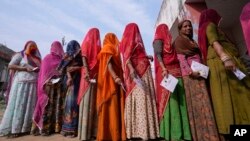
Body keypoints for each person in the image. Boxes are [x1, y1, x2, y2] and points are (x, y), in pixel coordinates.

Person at [198, 9, 250, 136]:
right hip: (221, 62)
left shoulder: (208, 27)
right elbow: (214, 42)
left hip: (219, 61)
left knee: (231, 94)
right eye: (218, 16)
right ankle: (239, 129)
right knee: (235, 93)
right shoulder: (210, 25)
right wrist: (225, 58)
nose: (220, 19)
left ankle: (235, 129)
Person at [174, 20, 220, 141]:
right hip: (191, 76)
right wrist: (190, 72)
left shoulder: (192, 41)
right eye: (185, 26)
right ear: (180, 29)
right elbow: (181, 59)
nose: (188, 28)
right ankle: (202, 135)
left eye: (189, 26)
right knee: (198, 104)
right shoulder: (180, 41)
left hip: (199, 73)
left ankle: (210, 132)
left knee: (204, 102)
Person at [120, 23, 159, 140]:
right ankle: (137, 132)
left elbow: (138, 55)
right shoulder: (127, 41)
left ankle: (148, 131)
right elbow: (127, 57)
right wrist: (132, 70)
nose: (136, 32)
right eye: (134, 30)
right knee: (139, 100)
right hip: (136, 74)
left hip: (144, 72)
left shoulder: (138, 43)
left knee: (146, 100)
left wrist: (147, 57)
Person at [153, 23, 191, 141]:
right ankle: (174, 133)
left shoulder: (170, 42)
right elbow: (159, 55)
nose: (166, 31)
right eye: (164, 29)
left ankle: (185, 132)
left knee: (181, 102)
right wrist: (164, 69)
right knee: (171, 102)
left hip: (177, 72)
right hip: (167, 72)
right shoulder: (158, 40)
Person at [0, 41, 41, 137]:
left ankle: (26, 128)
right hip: (21, 84)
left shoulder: (37, 59)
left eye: (34, 46)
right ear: (26, 46)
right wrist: (24, 68)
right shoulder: (20, 55)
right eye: (31, 46)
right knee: (19, 105)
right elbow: (10, 66)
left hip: (33, 85)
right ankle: (15, 129)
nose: (33, 48)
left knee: (29, 107)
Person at [96, 33, 126, 141]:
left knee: (110, 108)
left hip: (111, 82)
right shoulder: (108, 48)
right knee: (112, 107)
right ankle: (113, 135)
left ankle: (108, 134)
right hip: (111, 82)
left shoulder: (109, 48)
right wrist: (115, 77)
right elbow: (108, 65)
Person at [31, 41, 65, 136]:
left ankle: (53, 128)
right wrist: (47, 82)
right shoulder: (47, 59)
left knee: (55, 107)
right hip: (48, 88)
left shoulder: (61, 60)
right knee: (46, 107)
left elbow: (63, 72)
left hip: (57, 87)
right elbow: (43, 74)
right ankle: (43, 129)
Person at [77, 28, 101, 140]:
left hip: (95, 76)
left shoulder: (98, 47)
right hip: (87, 75)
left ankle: (91, 132)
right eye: (95, 34)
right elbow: (84, 57)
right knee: (86, 101)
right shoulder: (86, 44)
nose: (97, 36)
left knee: (93, 103)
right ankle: (84, 134)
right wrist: (87, 70)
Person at [60, 40, 82, 138]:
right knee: (68, 105)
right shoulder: (66, 56)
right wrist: (69, 77)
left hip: (78, 82)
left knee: (74, 104)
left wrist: (77, 68)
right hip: (70, 83)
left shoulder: (80, 56)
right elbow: (65, 68)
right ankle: (66, 128)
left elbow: (83, 67)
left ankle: (73, 130)